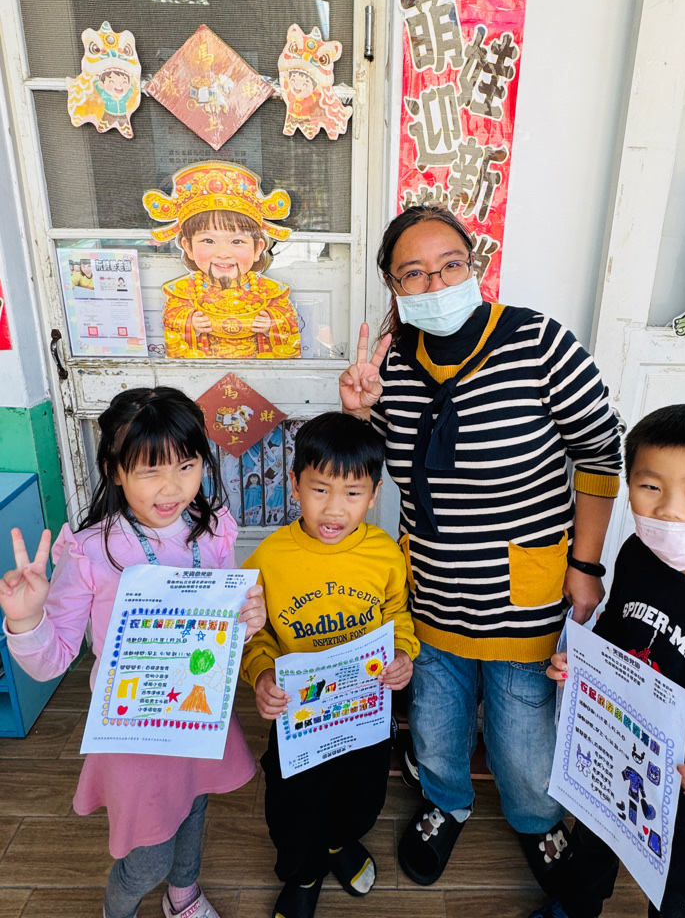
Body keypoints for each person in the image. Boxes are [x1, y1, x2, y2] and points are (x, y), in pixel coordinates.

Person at [339, 204, 623, 893]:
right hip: (431, 585)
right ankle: (446, 802)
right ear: (393, 285)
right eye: (414, 273)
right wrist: (358, 414)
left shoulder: (538, 342)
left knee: (523, 732)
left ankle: (537, 819)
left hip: (523, 592)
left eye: (450, 266)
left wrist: (586, 565)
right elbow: (369, 474)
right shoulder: (391, 363)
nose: (435, 284)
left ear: (475, 266)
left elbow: (599, 453)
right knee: (435, 722)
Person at [0, 386, 266, 918]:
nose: (172, 486)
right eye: (150, 470)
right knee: (147, 857)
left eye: (187, 465)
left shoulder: (212, 531)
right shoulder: (90, 551)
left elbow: (219, 634)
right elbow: (53, 660)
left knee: (194, 808)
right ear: (114, 471)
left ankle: (183, 896)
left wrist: (246, 621)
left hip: (196, 711)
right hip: (132, 731)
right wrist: (26, 619)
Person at [530, 403, 685, 918]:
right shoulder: (637, 553)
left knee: (679, 895)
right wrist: (582, 666)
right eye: (650, 486)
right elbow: (618, 629)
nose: (669, 510)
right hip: (614, 755)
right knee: (588, 850)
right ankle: (575, 907)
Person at [240, 412, 420, 918]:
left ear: (375, 493)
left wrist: (403, 654)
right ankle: (303, 873)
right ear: (295, 484)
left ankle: (341, 841)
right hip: (299, 718)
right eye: (320, 490)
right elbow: (254, 634)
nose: (335, 509)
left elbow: (397, 615)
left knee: (363, 798)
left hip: (365, 713)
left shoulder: (385, 553)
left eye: (353, 493)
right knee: (293, 809)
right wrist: (263, 674)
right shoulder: (269, 558)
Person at [143, 162, 301, 360]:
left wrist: (272, 321)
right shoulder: (183, 291)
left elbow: (287, 318)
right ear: (188, 246)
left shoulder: (270, 291)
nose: (223, 253)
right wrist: (189, 321)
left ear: (258, 248)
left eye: (237, 241)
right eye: (208, 241)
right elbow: (172, 317)